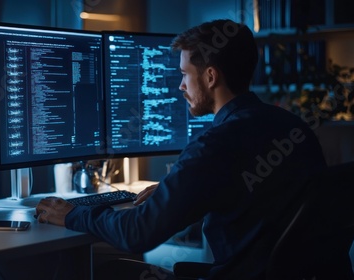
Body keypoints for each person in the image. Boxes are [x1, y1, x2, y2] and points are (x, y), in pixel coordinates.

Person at [35, 19, 327, 279]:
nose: (181, 87)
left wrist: (73, 214)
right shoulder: (294, 128)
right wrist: (181, 194)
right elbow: (262, 207)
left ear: (210, 77)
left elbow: (138, 234)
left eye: (185, 74)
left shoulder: (214, 145)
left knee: (110, 270)